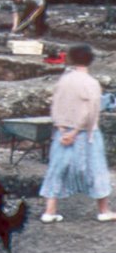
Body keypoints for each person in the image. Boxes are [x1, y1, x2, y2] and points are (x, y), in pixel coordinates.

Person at [39, 44, 113, 223]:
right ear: (90, 60)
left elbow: (55, 105)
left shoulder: (63, 80)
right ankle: (103, 210)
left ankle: (50, 210)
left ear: (70, 59)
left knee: (57, 169)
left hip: (62, 130)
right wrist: (76, 131)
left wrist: (63, 130)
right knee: (96, 169)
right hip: (86, 133)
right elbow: (91, 112)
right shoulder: (91, 83)